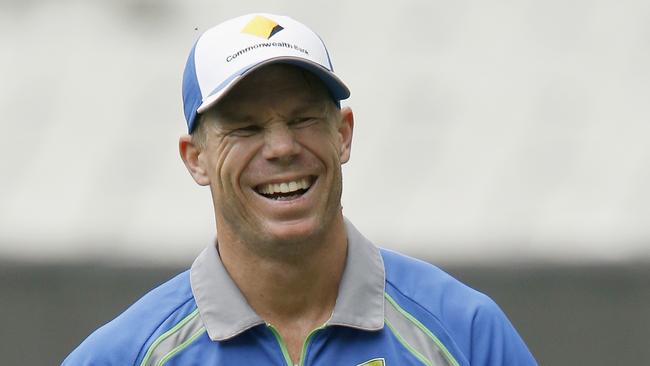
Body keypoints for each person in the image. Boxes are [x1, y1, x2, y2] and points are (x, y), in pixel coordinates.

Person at [63, 13, 537, 366]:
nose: (282, 147)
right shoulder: (122, 356)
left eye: (303, 118)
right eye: (245, 128)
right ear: (196, 159)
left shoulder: (465, 332)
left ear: (344, 134)